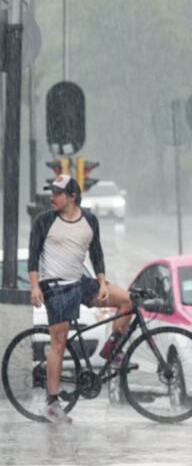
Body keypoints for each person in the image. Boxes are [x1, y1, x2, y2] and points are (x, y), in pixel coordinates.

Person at [27, 174, 133, 424]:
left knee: (127, 300)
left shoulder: (90, 220)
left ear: (72, 196)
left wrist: (103, 282)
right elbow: (33, 257)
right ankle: (52, 403)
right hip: (56, 287)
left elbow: (96, 253)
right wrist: (34, 287)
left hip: (82, 283)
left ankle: (112, 349)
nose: (52, 198)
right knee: (59, 344)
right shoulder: (44, 220)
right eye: (51, 193)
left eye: (57, 193)